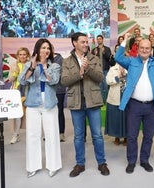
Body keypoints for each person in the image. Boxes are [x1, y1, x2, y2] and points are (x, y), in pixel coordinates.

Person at [114, 32, 154, 174]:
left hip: (151, 106)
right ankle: (131, 161)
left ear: (151, 49)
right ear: (138, 48)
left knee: (148, 136)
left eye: (147, 48)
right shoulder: (132, 61)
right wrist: (126, 41)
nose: (145, 50)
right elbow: (118, 57)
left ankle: (145, 160)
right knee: (132, 136)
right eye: (142, 48)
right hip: (134, 105)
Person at [61, 32, 110, 177]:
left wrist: (88, 69)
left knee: (97, 135)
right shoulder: (67, 61)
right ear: (74, 43)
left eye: (86, 42)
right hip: (76, 103)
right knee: (78, 136)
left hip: (93, 102)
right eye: (82, 42)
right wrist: (80, 73)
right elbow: (64, 81)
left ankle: (102, 163)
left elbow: (100, 78)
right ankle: (80, 164)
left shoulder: (94, 58)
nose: (86, 44)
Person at [18, 38, 62, 178]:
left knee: (52, 135)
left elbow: (54, 81)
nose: (46, 50)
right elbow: (22, 80)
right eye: (43, 48)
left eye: (48, 48)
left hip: (49, 104)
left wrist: (44, 67)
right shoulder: (29, 64)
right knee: (32, 135)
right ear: (37, 49)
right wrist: (32, 67)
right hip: (33, 105)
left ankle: (53, 165)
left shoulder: (54, 66)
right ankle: (33, 166)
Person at [105, 44, 127, 146]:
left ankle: (126, 137)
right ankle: (117, 137)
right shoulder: (112, 69)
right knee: (116, 118)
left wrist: (126, 75)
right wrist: (118, 76)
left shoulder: (129, 67)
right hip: (115, 97)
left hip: (126, 96)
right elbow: (108, 81)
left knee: (127, 118)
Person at [8, 47, 30, 144]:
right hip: (17, 92)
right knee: (17, 115)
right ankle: (15, 135)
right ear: (17, 56)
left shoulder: (30, 65)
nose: (22, 56)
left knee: (30, 114)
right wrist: (15, 73)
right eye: (20, 54)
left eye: (24, 54)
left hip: (28, 91)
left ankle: (31, 135)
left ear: (27, 55)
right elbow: (10, 79)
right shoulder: (14, 65)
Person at [91, 34, 112, 103]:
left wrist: (104, 52)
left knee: (105, 86)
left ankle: (105, 101)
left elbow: (109, 58)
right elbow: (92, 60)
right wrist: (95, 54)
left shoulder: (107, 49)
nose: (99, 40)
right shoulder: (94, 49)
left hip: (105, 69)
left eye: (100, 39)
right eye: (98, 39)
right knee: (99, 86)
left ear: (102, 40)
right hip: (97, 71)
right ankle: (100, 101)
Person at [54, 49, 67, 142]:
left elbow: (63, 74)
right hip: (47, 91)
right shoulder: (45, 59)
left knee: (59, 111)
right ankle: (50, 133)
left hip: (59, 90)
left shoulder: (60, 59)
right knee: (48, 112)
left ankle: (61, 133)